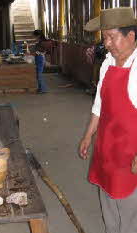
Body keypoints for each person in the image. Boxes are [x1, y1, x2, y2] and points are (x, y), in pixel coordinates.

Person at [79, 7, 137, 233]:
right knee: (108, 205)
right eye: (105, 38)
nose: (108, 44)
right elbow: (99, 105)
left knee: (129, 213)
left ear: (130, 36)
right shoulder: (107, 64)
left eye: (111, 37)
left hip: (129, 156)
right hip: (107, 148)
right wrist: (88, 135)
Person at [33, 30, 48, 94]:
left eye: (35, 36)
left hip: (40, 58)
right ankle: (40, 88)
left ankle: (43, 89)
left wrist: (35, 51)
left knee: (39, 75)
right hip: (39, 57)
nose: (34, 37)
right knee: (38, 74)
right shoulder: (40, 42)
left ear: (38, 35)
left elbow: (42, 51)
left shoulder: (42, 42)